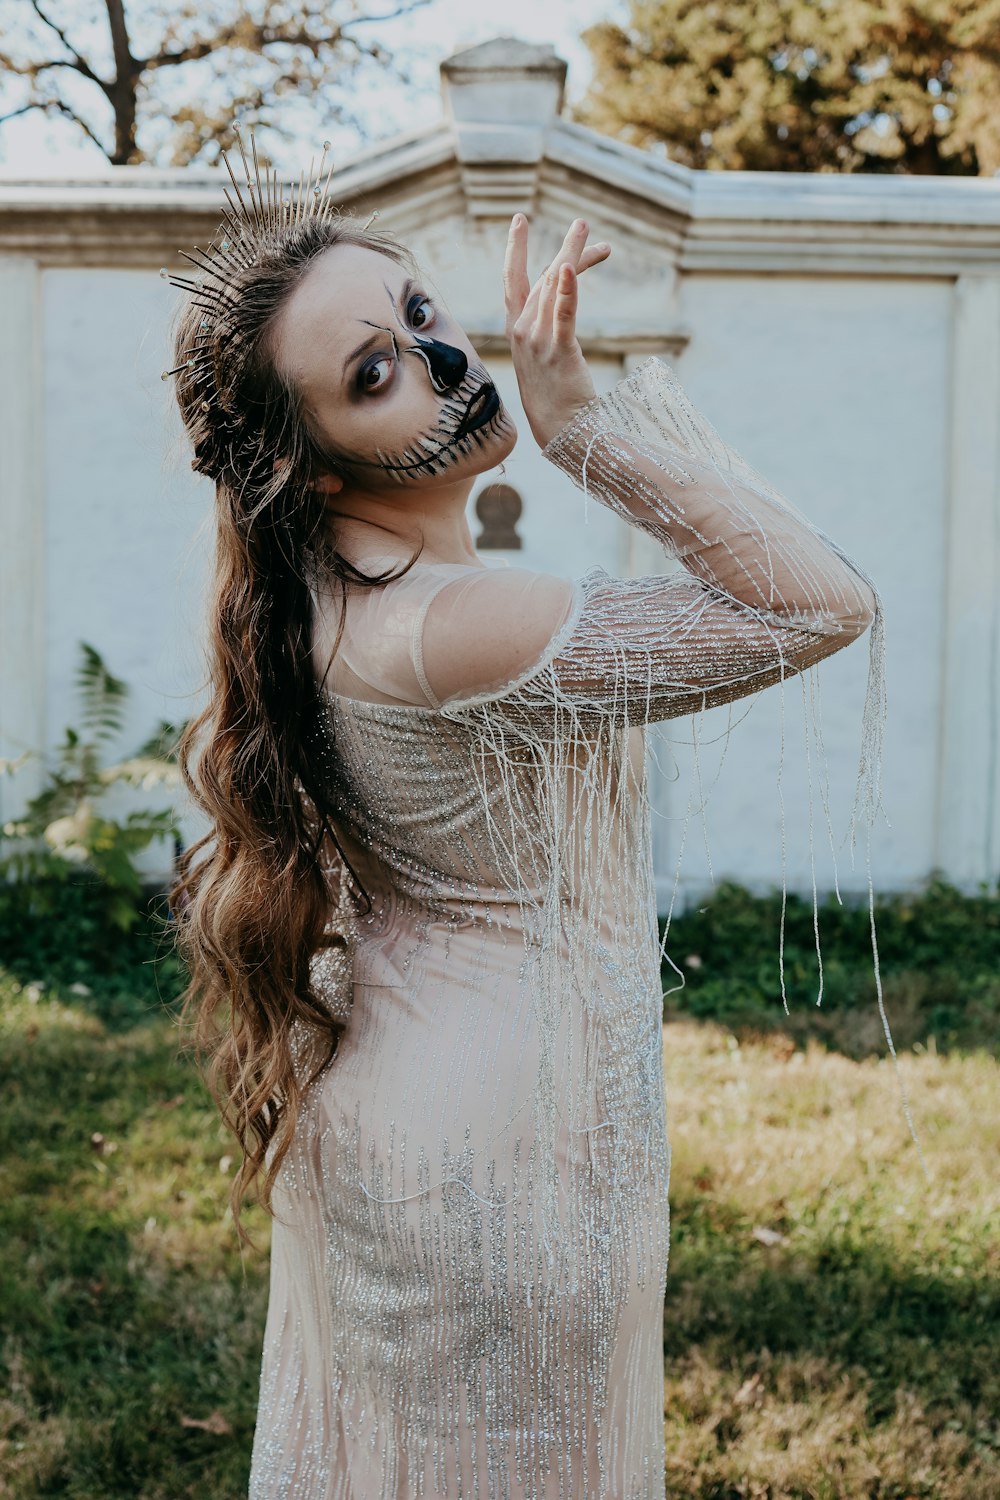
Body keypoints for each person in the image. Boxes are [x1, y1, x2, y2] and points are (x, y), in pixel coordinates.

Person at [165, 141, 880, 1499]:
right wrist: (584, 427)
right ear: (312, 468)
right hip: (500, 1152)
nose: (439, 362)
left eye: (422, 317)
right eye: (372, 374)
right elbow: (817, 601)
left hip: (413, 1104)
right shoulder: (451, 624)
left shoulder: (337, 599)